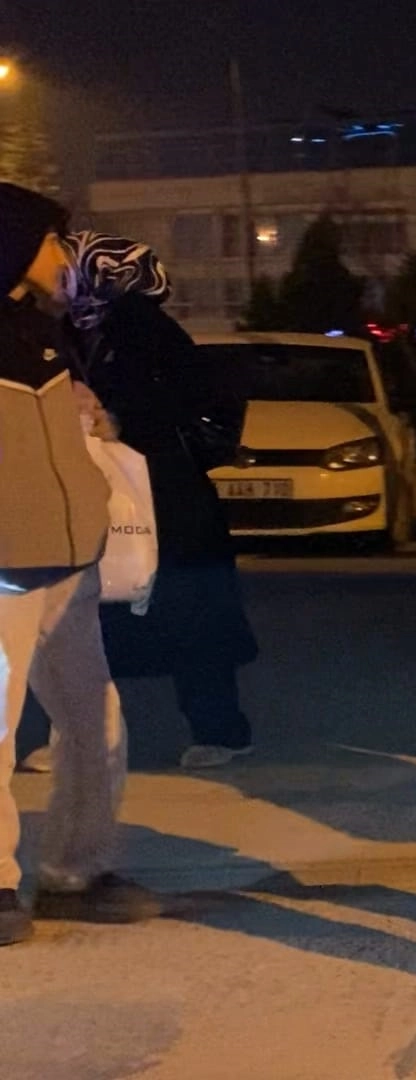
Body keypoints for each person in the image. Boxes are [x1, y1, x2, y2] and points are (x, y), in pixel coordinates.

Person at [20, 232, 255, 773]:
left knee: (183, 613)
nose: (56, 275)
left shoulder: (139, 327)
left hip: (166, 497)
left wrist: (119, 417)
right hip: (116, 488)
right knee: (93, 617)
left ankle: (219, 730)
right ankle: (88, 739)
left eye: (68, 265)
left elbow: (188, 396)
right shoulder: (76, 327)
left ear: (101, 274)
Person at [1, 183, 163, 947]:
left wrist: (94, 417)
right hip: (4, 565)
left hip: (69, 562)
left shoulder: (43, 332)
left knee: (96, 721)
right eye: (49, 239)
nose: (62, 254)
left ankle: (77, 871)